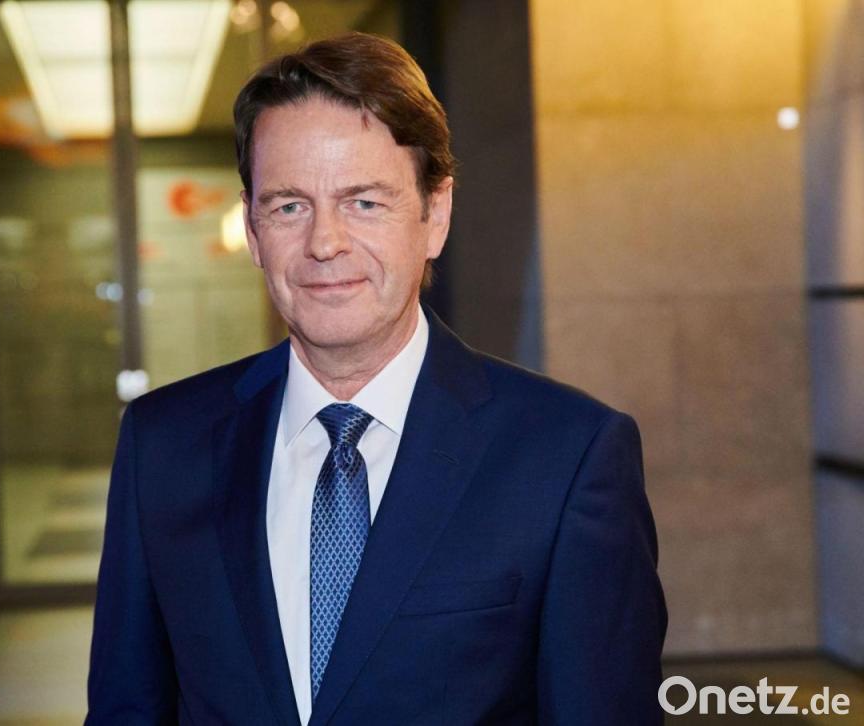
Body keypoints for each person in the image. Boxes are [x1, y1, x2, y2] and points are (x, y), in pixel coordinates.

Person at [86, 32, 666, 725]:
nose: (324, 243)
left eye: (363, 202)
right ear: (253, 230)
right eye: (289, 205)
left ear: (435, 215)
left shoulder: (566, 457)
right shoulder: (163, 445)